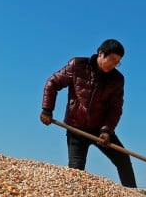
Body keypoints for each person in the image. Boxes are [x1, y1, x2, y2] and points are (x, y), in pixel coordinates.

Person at [40, 39, 137, 188]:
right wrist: (47, 109)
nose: (114, 64)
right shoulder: (77, 65)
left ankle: (134, 195)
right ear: (100, 53)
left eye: (117, 62)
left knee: (123, 159)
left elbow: (115, 109)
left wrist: (106, 131)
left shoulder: (117, 79)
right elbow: (52, 83)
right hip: (75, 128)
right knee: (76, 169)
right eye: (112, 60)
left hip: (100, 130)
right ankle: (74, 195)